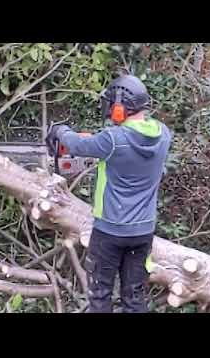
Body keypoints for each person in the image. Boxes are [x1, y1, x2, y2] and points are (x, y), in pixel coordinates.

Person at [46, 74, 172, 313]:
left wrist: (60, 131)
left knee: (100, 295)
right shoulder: (163, 134)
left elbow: (78, 146)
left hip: (109, 232)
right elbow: (112, 143)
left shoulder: (112, 140)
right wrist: (94, 139)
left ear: (119, 106)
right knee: (134, 297)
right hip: (143, 231)